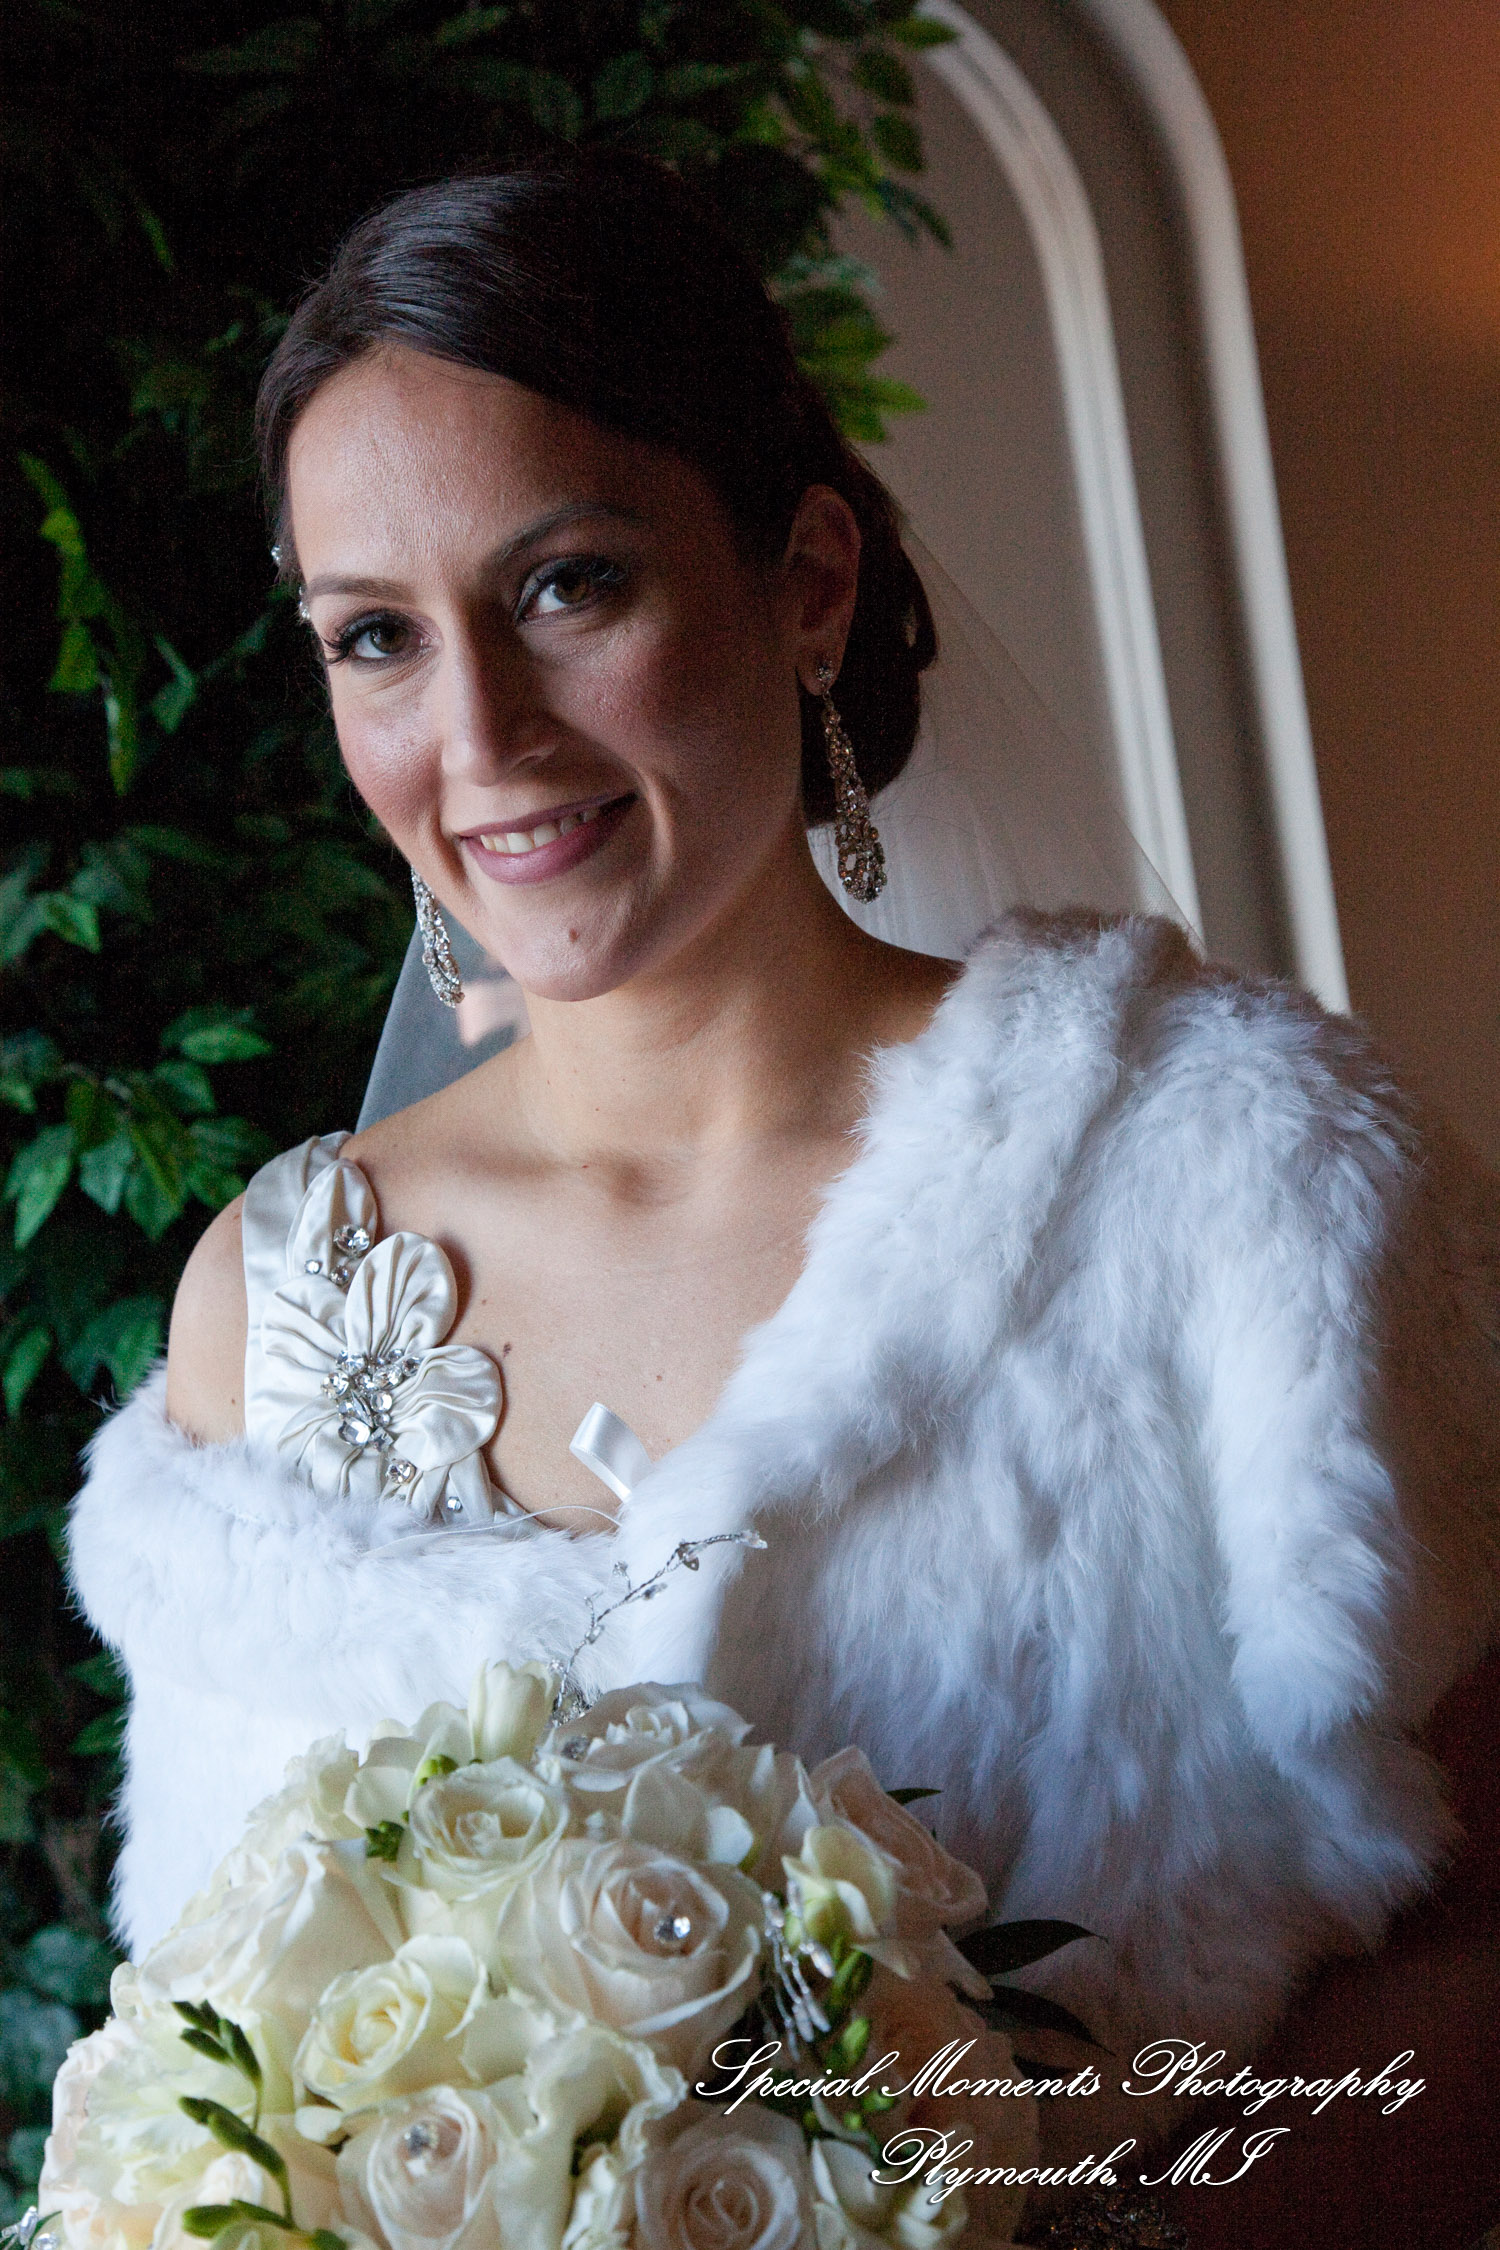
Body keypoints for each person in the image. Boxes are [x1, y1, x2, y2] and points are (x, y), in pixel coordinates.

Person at [66, 156, 1500, 2241]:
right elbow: (208, 2089)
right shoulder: (274, 1305)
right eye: (376, 637)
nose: (480, 734)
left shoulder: (1242, 1177)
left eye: (568, 587)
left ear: (809, 582)